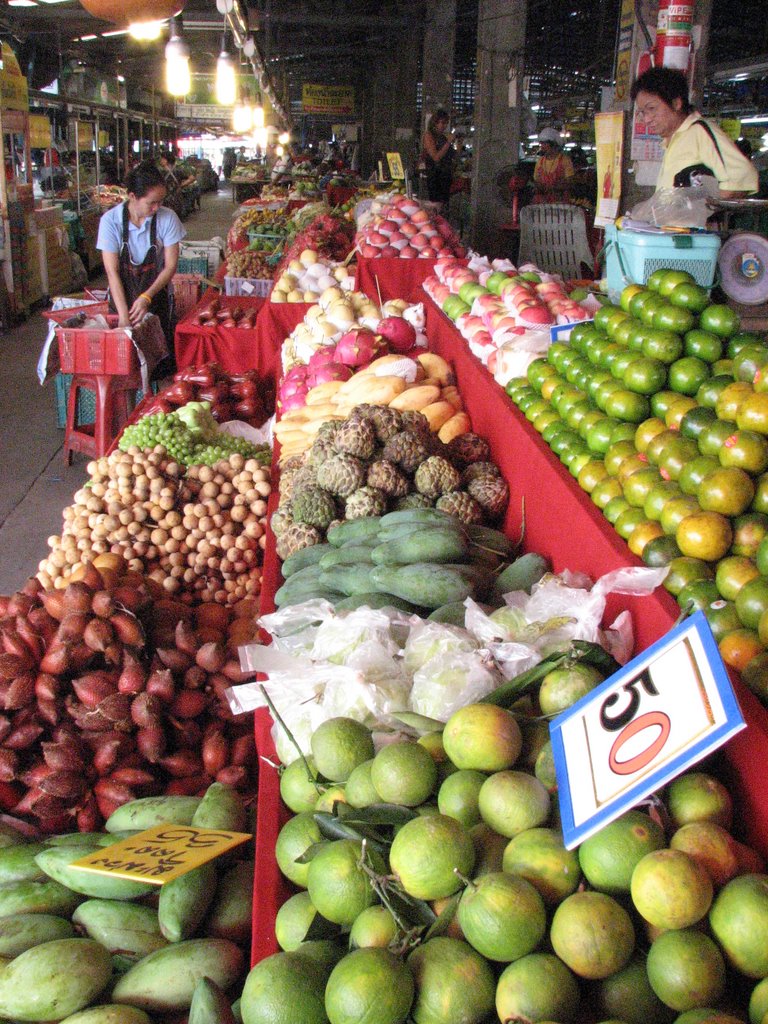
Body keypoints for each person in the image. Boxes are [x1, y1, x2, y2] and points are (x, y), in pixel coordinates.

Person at [631, 67, 758, 197]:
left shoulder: (700, 131)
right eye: (642, 112)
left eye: (651, 108)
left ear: (676, 103)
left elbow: (743, 176)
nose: (646, 119)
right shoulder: (674, 139)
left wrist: (701, 210)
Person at [96, 160, 186, 344]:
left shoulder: (167, 218)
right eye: (151, 203)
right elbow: (112, 273)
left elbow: (170, 267)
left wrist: (147, 296)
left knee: (159, 355)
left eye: (161, 202)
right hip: (122, 299)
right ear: (132, 196)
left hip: (156, 298)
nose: (157, 208)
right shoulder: (110, 222)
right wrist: (123, 316)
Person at [422, 109, 461, 208]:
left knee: (444, 204)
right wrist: (448, 142)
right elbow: (436, 157)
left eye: (446, 124)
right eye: (442, 123)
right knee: (436, 204)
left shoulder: (443, 137)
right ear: (435, 122)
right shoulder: (429, 135)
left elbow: (453, 156)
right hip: (435, 175)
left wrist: (459, 146)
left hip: (446, 175)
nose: (443, 126)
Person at [533, 128, 574, 203]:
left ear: (554, 145)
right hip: (542, 203)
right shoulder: (540, 162)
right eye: (541, 144)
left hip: (560, 204)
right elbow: (536, 180)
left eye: (545, 144)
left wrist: (554, 187)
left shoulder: (565, 160)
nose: (542, 146)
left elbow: (570, 182)